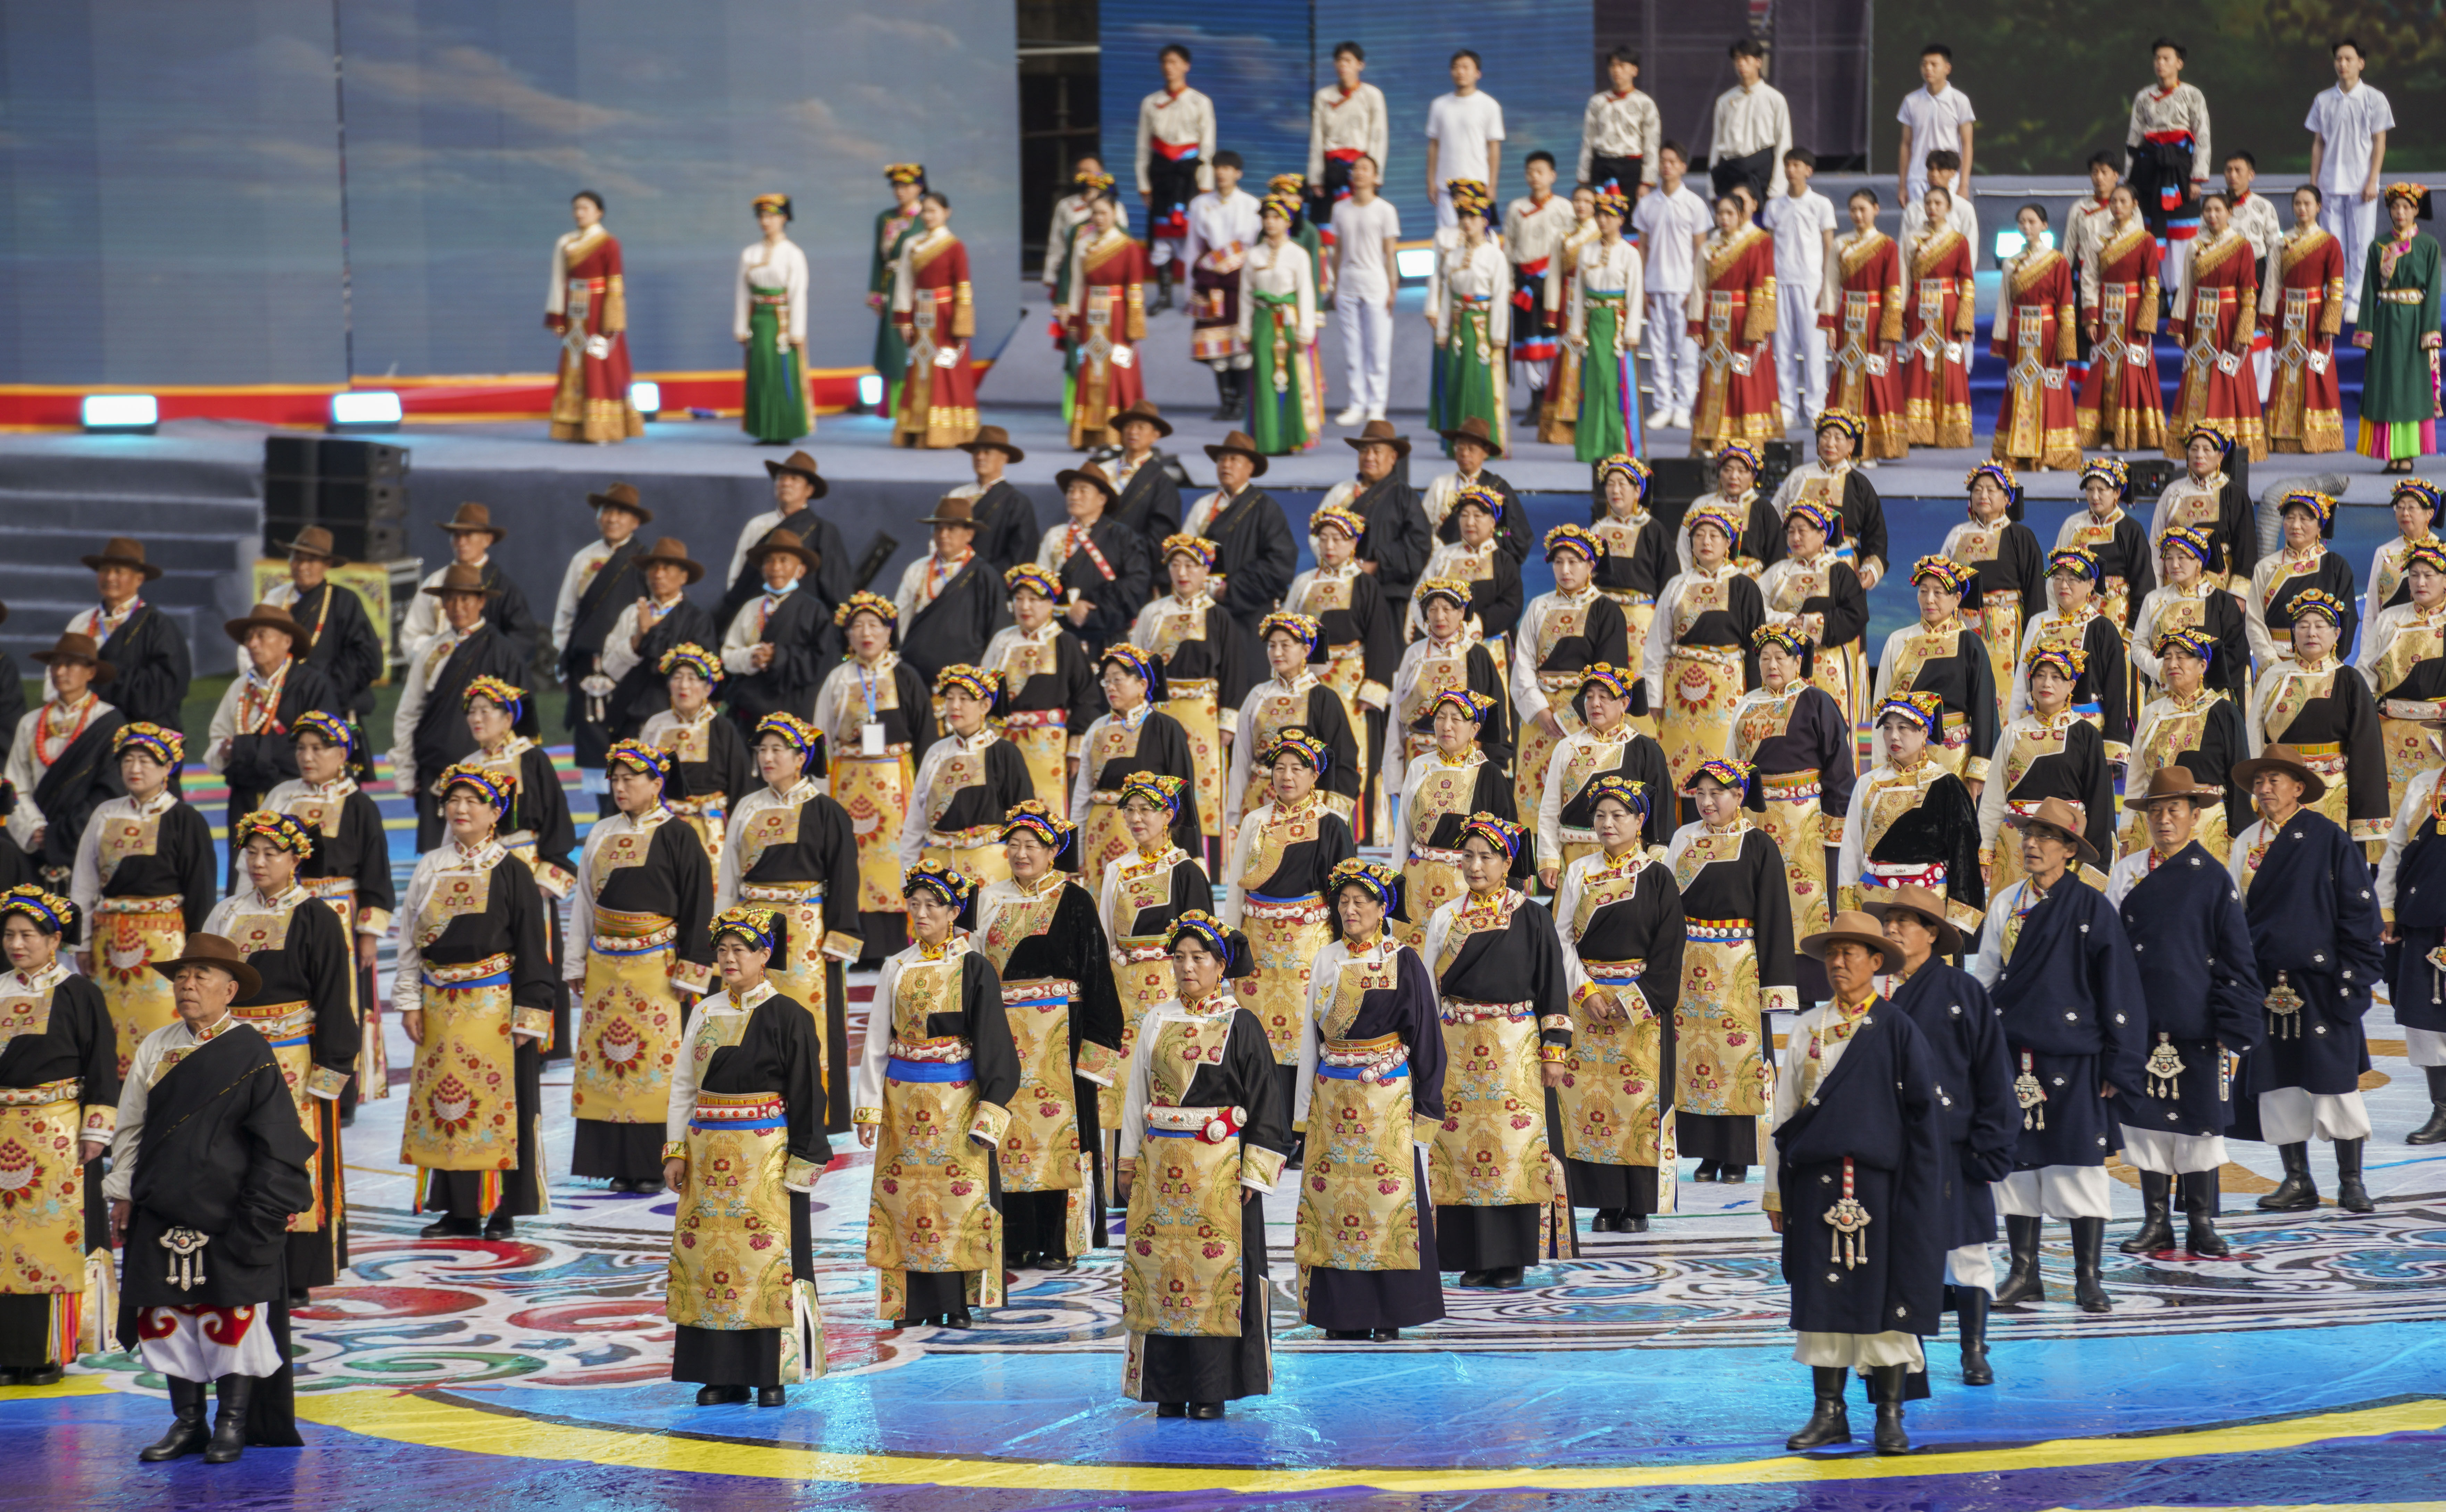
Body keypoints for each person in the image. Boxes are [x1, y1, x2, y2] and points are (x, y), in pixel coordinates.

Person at [109, 932, 314, 1464]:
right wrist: (123, 1193)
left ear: (230, 990)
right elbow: (130, 1127)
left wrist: (262, 1211)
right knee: (170, 1318)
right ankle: (188, 1424)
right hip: (160, 1207)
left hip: (229, 1214)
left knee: (231, 1317)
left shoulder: (251, 1052)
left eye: (201, 976)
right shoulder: (156, 1046)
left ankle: (232, 1424)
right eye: (181, 976)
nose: (187, 985)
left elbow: (275, 1142)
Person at [1764, 912, 1946, 1454]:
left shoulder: (1898, 1030)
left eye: (1851, 953)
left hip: (1880, 1191)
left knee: (1885, 1303)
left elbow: (1923, 1123)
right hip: (1816, 1190)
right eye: (1832, 953)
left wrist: (1921, 1196)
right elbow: (1785, 1115)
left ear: (1876, 962)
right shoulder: (1806, 1027)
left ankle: (1889, 1417)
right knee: (1821, 1302)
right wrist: (1775, 1192)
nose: (1839, 963)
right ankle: (1828, 1414)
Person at [1971, 798, 2147, 1313]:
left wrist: (2121, 1063)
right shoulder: (2005, 903)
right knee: (2017, 1167)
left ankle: (2087, 1277)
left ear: (2069, 850)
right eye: (2028, 833)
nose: (2031, 843)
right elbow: (1986, 978)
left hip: (2075, 1060)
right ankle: (2023, 1273)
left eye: (2045, 836)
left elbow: (2120, 990)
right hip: (2011, 1056)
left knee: (2078, 1168)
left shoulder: (2093, 907)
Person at [1115, 910, 1290, 1417]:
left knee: (1216, 1280)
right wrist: (1128, 1162)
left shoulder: (1241, 1023)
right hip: (1161, 1175)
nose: (1187, 968)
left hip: (1221, 1178)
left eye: (1199, 958)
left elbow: (1265, 1103)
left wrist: (1253, 1174)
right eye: (1179, 958)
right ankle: (1167, 1388)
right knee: (1160, 1276)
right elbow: (1136, 1097)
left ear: (1220, 966)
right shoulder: (1157, 1019)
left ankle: (1214, 1388)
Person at [663, 904, 828, 1405]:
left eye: (741, 950)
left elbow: (807, 1095)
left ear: (764, 956)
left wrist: (803, 1163)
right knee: (711, 1264)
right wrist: (676, 1151)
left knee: (768, 1265)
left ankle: (770, 1374)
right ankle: (721, 1375)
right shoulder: (705, 1012)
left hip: (767, 1165)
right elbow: (684, 1088)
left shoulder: (790, 1017)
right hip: (707, 1162)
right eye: (723, 950)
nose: (729, 959)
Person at [392, 763, 557, 1239]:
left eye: (473, 802)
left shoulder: (512, 872)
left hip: (495, 1010)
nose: (460, 810)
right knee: (447, 1108)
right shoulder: (429, 866)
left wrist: (532, 1013)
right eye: (453, 801)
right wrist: (409, 1001)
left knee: (498, 1111)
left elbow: (532, 949)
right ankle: (458, 1209)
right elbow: (409, 942)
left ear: (495, 813)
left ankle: (502, 1207)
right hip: (440, 1008)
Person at [198, 812, 358, 1300]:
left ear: (296, 859)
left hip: (294, 1060)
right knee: (233, 1157)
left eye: (272, 853)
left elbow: (334, 997)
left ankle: (294, 1272)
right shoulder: (225, 914)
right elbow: (201, 985)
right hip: (232, 1056)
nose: (260, 862)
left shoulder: (317, 916)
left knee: (289, 1161)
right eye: (252, 852)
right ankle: (238, 1260)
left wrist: (331, 1069)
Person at [2105, 766, 2263, 1258]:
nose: (2163, 819)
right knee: (2146, 1124)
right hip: (2141, 1021)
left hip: (2198, 1024)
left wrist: (2232, 1021)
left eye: (2174, 810)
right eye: (2155, 810)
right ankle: (2155, 1221)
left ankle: (2200, 1220)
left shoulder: (2214, 878)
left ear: (2195, 817)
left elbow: (2237, 956)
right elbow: (2107, 951)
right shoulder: (2127, 871)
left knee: (2200, 1124)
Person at [855, 865, 1022, 1328]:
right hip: (902, 1106)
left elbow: (994, 1044)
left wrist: (990, 1110)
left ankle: (958, 1303)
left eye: (933, 905)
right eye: (915, 905)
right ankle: (909, 1304)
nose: (922, 913)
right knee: (904, 1202)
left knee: (956, 1202)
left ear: (953, 912)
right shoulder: (896, 966)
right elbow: (875, 1043)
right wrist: (869, 1108)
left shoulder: (973, 966)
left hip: (957, 1104)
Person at [1863, 885, 2015, 1388]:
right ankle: (1913, 1354)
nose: (1893, 929)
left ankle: (1974, 1350)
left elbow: (1993, 1072)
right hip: (1894, 1150)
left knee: (1966, 1251)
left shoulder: (1961, 990)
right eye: (1890, 921)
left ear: (1933, 934)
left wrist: (1992, 1145)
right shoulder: (1870, 993)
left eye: (1906, 922)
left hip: (1955, 1148)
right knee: (1902, 1254)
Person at [1295, 858, 1447, 1337]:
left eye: (1361, 901)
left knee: (1388, 1204)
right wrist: (1303, 1113)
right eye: (1343, 902)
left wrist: (1426, 1112)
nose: (1350, 909)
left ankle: (1391, 1314)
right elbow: (1308, 1039)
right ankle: (1344, 1315)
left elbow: (1426, 1040)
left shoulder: (1403, 959)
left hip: (1387, 1106)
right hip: (1333, 1103)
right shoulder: (1326, 959)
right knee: (1336, 1206)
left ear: (1383, 907)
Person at [2230, 744, 2384, 1213]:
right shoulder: (2244, 843)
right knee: (2277, 1087)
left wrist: (2354, 980)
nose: (2265, 788)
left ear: (2299, 788)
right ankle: (2297, 1181)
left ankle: (2351, 1181)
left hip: (2321, 984)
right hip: (2265, 984)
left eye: (2275, 780)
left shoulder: (2328, 837)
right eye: (2259, 781)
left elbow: (2359, 912)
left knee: (2335, 1086)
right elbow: (2234, 917)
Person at [970, 803, 1123, 1271]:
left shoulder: (1074, 899)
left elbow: (1097, 976)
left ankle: (1060, 1241)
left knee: (1060, 1145)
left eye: (1031, 846)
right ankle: (1014, 1239)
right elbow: (972, 972)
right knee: (1008, 1137)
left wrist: (1096, 1052)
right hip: (1002, 1038)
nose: (1020, 853)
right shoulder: (987, 899)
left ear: (1052, 851)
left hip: (1062, 1038)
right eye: (1013, 845)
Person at [1421, 813, 1568, 1288]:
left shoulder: (1532, 914)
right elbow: (1427, 990)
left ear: (1507, 863)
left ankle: (1511, 1257)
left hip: (1513, 1050)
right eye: (1467, 856)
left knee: (1511, 1153)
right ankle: (1471, 1256)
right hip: (1457, 1049)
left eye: (1486, 857)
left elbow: (1552, 985)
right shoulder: (1446, 916)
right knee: (1462, 1151)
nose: (1475, 866)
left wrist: (1554, 1052)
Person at [563, 741, 713, 1193]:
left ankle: (657, 1162)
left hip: (657, 972)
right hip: (605, 969)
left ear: (657, 783)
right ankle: (613, 1163)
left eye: (631, 779)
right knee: (608, 1065)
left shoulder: (679, 833)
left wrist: (692, 969)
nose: (621, 786)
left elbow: (697, 902)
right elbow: (585, 905)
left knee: (654, 1066)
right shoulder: (600, 832)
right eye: (615, 779)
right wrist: (576, 961)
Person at [716, 714, 864, 1132]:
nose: (767, 757)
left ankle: (815, 1112)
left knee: (805, 1018)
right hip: (749, 926)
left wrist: (841, 934)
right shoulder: (747, 806)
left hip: (806, 929)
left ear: (801, 758)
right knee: (749, 1011)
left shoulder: (826, 810)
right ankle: (752, 1099)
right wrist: (721, 933)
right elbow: (729, 876)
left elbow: (845, 876)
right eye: (761, 750)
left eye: (777, 750)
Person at [1547, 777, 1683, 1234]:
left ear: (1640, 821)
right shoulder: (1578, 871)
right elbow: (1560, 937)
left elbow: (1669, 947)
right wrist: (1585, 992)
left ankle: (1637, 1203)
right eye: (1600, 816)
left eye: (1618, 815)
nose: (1607, 824)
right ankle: (1604, 1202)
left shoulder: (1657, 875)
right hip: (1587, 1002)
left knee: (1635, 1104)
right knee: (1589, 1104)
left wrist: (1630, 1000)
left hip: (1637, 1011)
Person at [0, 885, 116, 1387]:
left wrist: (96, 1132)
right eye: (9, 935)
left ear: (54, 941)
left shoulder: (80, 993)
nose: (17, 944)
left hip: (59, 1136)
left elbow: (102, 1069)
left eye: (28, 935)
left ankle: (46, 1351)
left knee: (53, 1245)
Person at [1665, 759, 1798, 1182]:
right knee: (1694, 1058)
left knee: (1736, 1060)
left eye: (1716, 793)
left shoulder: (1758, 844)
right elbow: (1667, 906)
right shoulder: (1682, 838)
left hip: (1737, 967)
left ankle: (1737, 1154)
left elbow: (1775, 916)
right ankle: (1705, 1153)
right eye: (1700, 794)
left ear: (1739, 796)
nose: (1706, 802)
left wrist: (1774, 985)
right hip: (1688, 965)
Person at [1221, 730, 1358, 1114]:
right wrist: (1231, 949)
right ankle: (1263, 1121)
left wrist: (1342, 952)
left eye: (1297, 769)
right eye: (1279, 768)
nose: (1286, 776)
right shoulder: (1255, 821)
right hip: (1258, 945)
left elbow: (1343, 895)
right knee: (1258, 1030)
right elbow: (1236, 889)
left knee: (1303, 1032)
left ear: (1314, 775)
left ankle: (1300, 1125)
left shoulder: (1331, 823)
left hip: (1307, 947)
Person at [264, 712, 394, 1114]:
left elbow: (376, 872)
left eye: (318, 749)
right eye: (302, 748)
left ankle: (343, 1094)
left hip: (340, 913)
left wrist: (369, 934)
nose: (307, 756)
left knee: (343, 1003)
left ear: (342, 754)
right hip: (288, 911)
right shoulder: (281, 798)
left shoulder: (359, 805)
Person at [69, 723, 214, 1077]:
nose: (135, 769)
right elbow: (84, 884)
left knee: (163, 1026)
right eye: (128, 760)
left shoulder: (185, 820)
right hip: (109, 946)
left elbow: (200, 893)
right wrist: (82, 943)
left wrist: (198, 958)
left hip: (165, 950)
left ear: (168, 768)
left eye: (146, 761)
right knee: (109, 1028)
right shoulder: (105, 814)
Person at [1094, 772, 1209, 1161]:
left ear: (1168, 815)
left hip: (1171, 986)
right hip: (1124, 993)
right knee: (1124, 1082)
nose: (1136, 818)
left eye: (1147, 810)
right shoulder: (1117, 870)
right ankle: (1121, 1172)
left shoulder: (1187, 870)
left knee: (1168, 1071)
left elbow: (1202, 941)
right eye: (1130, 810)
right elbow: (1105, 938)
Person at [813, 594, 933, 959]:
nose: (866, 633)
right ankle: (852, 943)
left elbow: (925, 735)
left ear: (889, 632)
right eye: (857, 626)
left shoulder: (905, 676)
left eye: (874, 625)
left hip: (896, 787)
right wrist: (818, 794)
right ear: (847, 634)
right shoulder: (837, 679)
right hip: (847, 784)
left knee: (894, 859)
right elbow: (820, 738)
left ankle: (898, 944)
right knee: (849, 862)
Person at [1729, 623, 1856, 950]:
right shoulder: (1745, 704)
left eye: (1781, 658)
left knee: (1811, 903)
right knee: (1762, 899)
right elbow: (1731, 766)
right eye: (1765, 658)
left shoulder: (1817, 701)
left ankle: (1812, 987)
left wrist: (1834, 832)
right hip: (1756, 821)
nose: (1772, 665)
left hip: (1806, 824)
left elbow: (1839, 769)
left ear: (1797, 663)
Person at [390, 565, 529, 850]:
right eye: (450, 599)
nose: (457, 606)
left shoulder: (503, 651)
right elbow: (410, 710)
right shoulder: (430, 651)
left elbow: (521, 719)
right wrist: (405, 767)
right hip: (436, 770)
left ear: (481, 602)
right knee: (437, 856)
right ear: (442, 604)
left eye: (466, 599)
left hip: (487, 773)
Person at [1285, 506, 1401, 838]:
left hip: (1351, 685)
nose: (1329, 545)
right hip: (1307, 681)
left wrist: (1373, 688)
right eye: (1323, 538)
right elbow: (1285, 631)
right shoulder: (1303, 584)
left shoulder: (1365, 585)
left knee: (1354, 756)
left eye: (1337, 539)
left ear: (1354, 543)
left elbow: (1381, 638)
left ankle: (1354, 832)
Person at [1835, 694, 1988, 935]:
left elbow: (1964, 856)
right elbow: (1852, 848)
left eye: (1903, 728)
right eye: (1887, 728)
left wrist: (1957, 924)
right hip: (1873, 905)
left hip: (1927, 907)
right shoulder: (1867, 784)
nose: (1893, 736)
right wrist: (1846, 907)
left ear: (1924, 733)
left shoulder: (1946, 784)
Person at [2251, 591, 2390, 853]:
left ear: (2336, 634)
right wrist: (2256, 791)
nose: (2310, 633)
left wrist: (2364, 818)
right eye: (2302, 626)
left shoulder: (2349, 680)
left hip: (2334, 792)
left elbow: (2366, 750)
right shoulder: (2273, 677)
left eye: (2319, 626)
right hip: (2280, 790)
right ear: (2293, 633)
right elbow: (2254, 736)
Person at [1977, 642, 2119, 899]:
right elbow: (1994, 797)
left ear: (2071, 686)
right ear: (2030, 683)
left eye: (2056, 677)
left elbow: (2100, 804)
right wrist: (1986, 848)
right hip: (2014, 845)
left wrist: (2096, 864)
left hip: (2063, 845)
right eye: (2039, 676)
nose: (2046, 683)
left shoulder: (2085, 734)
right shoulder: (2013, 731)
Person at [1512, 526, 1633, 825]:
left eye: (1573, 562)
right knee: (1535, 799)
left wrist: (1569, 718)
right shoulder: (1538, 607)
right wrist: (1540, 711)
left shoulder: (1606, 610)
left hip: (1587, 716)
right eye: (1558, 562)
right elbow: (1524, 663)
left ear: (1591, 565)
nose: (1565, 570)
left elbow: (1610, 674)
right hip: (1540, 718)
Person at [203, 603, 337, 868]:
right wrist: (226, 750)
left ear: (286, 641)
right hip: (246, 798)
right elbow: (218, 737)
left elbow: (323, 743)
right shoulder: (240, 687)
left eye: (262, 635)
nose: (253, 644)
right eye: (249, 638)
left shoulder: (313, 684)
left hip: (296, 795)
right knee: (245, 870)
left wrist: (246, 748)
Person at [1132, 535, 1244, 848]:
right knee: (1155, 781)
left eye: (1191, 566)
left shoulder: (1218, 616)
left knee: (1202, 785)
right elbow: (1136, 664)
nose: (1182, 573)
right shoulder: (1151, 614)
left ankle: (1203, 859)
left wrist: (1227, 722)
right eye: (1176, 565)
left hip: (1202, 713)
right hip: (1157, 713)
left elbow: (1233, 671)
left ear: (1206, 571)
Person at [1645, 504, 1763, 800]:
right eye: (1698, 535)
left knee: (1723, 764)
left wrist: (1756, 698)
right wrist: (1654, 697)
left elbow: (1755, 649)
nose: (1705, 542)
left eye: (1714, 535)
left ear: (1728, 543)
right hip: (1678, 696)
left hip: (1726, 692)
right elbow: (1657, 646)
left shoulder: (1745, 587)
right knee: (1676, 769)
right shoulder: (1676, 586)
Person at [1073, 647, 1203, 899]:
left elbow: (1183, 798)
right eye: (1106, 681)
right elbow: (1082, 796)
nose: (1110, 687)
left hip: (1148, 840)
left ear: (1142, 684)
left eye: (1118, 680)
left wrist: (1191, 854)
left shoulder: (1166, 728)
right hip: (1099, 839)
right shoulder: (1096, 730)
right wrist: (1076, 856)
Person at [1533, 661, 1675, 880]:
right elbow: (1551, 809)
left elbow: (1661, 811)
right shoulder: (1568, 747)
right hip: (1573, 860)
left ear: (1624, 703)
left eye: (1604, 697)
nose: (1595, 704)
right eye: (1589, 697)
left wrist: (1657, 856)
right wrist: (1548, 858)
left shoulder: (1646, 750)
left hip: (1629, 861)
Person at [1225, 614, 1361, 840]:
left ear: (1306, 650)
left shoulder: (1323, 698)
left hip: (1308, 810)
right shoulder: (1257, 696)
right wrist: (1235, 814)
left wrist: (1334, 817)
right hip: (1258, 804)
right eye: (1272, 646)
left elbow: (1344, 761)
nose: (1277, 653)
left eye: (1285, 645)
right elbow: (1241, 759)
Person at [5, 634, 124, 890]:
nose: (60, 672)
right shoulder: (31, 722)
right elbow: (15, 784)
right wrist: (35, 830)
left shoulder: (108, 722)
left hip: (86, 839)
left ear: (91, 672)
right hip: (34, 844)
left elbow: (110, 789)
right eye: (55, 665)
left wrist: (64, 834)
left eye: (70, 664)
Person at [983, 565, 1102, 818]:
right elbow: (983, 694)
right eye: (1019, 599)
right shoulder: (1001, 642)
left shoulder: (1064, 643)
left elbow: (1086, 697)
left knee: (1046, 815)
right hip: (1002, 741)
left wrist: (1075, 750)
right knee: (1003, 811)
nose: (1025, 607)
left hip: (1049, 747)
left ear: (1050, 605)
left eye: (1034, 600)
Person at [554, 482, 650, 790]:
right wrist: (564, 661)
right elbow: (566, 613)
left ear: (635, 522)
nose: (612, 519)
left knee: (630, 737)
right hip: (587, 666)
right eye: (607, 511)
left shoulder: (646, 562)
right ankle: (602, 820)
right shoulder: (583, 560)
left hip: (630, 665)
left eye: (621, 513)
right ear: (598, 517)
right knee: (593, 739)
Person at [900, 666, 1034, 887]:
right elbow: (916, 820)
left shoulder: (1004, 753)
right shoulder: (936, 753)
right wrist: (907, 880)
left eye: (964, 699)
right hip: (938, 868)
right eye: (950, 698)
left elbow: (1024, 821)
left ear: (985, 706)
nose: (955, 706)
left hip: (990, 869)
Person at [2123, 627, 2249, 857]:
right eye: (2167, 658)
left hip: (2206, 827)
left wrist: (2238, 836)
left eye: (2181, 657)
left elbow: (2238, 779)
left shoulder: (2223, 711)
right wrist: (2125, 830)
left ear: (2202, 666)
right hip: (2153, 827)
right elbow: (2136, 776)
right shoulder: (2152, 712)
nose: (2172, 664)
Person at [1870, 559, 1997, 782]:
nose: (1929, 600)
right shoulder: (1899, 641)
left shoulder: (1968, 643)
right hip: (1904, 759)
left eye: (1938, 592)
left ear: (1957, 599)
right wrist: (1880, 764)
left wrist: (1980, 770)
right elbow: (1881, 706)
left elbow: (1984, 709)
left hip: (1957, 761)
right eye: (1924, 591)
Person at [47, 537, 190, 735]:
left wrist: (104, 678)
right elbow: (56, 677)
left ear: (139, 579)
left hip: (141, 738)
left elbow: (164, 690)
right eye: (105, 571)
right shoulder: (81, 624)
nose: (110, 578)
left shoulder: (159, 627)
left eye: (119, 572)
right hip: (85, 731)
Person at [2378, 733, 2446, 1144]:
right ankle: (2442, 1111)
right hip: (2420, 920)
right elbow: (2396, 850)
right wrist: (2386, 908)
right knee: (2425, 1024)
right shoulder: (2423, 785)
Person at [1756, 499, 1871, 738]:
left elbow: (1856, 614)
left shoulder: (1839, 571)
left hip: (1831, 664)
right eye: (1791, 532)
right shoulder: (1777, 573)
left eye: (1802, 531)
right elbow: (1755, 609)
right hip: (1786, 666)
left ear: (1822, 535)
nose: (1795, 537)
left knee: (1833, 731)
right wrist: (1785, 621)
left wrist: (1811, 625)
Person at [2167, 192, 2267, 460]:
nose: (2212, 215)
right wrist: (2178, 325)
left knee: (2228, 376)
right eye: (2208, 210)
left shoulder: (2242, 246)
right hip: (2199, 321)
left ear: (2229, 213)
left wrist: (2244, 331)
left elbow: (2248, 293)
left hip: (2227, 320)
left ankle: (2230, 444)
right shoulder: (2194, 246)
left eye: (2218, 210)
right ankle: (2196, 442)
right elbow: (2186, 287)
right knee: (2198, 377)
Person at [247, 526, 383, 723]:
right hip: (278, 700)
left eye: (310, 560)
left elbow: (366, 658)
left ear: (327, 564)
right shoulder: (275, 599)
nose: (301, 567)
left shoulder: (343, 601)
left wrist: (320, 688)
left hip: (333, 703)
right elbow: (252, 644)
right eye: (296, 558)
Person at [2352, 182, 2444, 470]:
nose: (2400, 212)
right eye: (2395, 207)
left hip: (2415, 323)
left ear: (2416, 210)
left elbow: (2433, 291)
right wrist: (2366, 328)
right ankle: (2390, 452)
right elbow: (2368, 290)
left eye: (2406, 207)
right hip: (2385, 322)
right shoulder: (2378, 245)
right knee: (2387, 386)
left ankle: (2407, 454)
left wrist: (2430, 330)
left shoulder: (2429, 246)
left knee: (2409, 387)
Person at [2074, 185, 2172, 453]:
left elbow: (2152, 284)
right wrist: (2091, 318)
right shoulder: (2097, 239)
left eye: (2123, 201)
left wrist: (2146, 320)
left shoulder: (2145, 240)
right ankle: (2106, 432)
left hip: (2132, 312)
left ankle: (2136, 434)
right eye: (2114, 201)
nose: (2117, 206)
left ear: (2134, 205)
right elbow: (2090, 279)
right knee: (2105, 370)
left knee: (2132, 367)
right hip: (2106, 311)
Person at [639, 643, 752, 866]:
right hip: (661, 827)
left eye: (693, 678)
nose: (684, 685)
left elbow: (742, 787)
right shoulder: (656, 726)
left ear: (708, 688)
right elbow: (640, 778)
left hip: (710, 828)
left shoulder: (722, 729)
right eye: (678, 677)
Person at [2356, 539, 2446, 820]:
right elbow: (2364, 674)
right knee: (2389, 813)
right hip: (2388, 737)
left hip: (2439, 738)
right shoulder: (2389, 619)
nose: (2420, 582)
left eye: (2428, 575)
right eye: (2414, 575)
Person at [1943, 462, 2047, 705]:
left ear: (2007, 498)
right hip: (1964, 625)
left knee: (2005, 693)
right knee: (1968, 690)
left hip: (2007, 627)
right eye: (1977, 489)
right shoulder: (1957, 534)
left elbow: (2035, 592)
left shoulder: (2020, 536)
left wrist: (2036, 642)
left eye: (1991, 490)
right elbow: (1943, 582)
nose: (1983, 495)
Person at [545, 190, 644, 443]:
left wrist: (612, 321)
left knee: (601, 363)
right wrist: (558, 317)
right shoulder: (566, 243)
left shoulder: (608, 243)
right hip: (575, 312)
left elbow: (615, 284)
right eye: (576, 208)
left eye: (585, 208)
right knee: (575, 365)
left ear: (599, 212)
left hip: (599, 313)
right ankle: (574, 426)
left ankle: (604, 428)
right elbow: (558, 282)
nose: (580, 213)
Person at [1988, 204, 2081, 472]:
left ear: (2044, 225)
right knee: (2020, 388)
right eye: (2021, 222)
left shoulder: (2057, 261)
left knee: (2050, 388)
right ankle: (2019, 453)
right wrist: (2001, 340)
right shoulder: (2010, 263)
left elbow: (2066, 305)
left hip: (2048, 331)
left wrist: (2066, 343)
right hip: (2019, 332)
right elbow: (2004, 304)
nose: (2026, 227)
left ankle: (2050, 453)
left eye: (2031, 221)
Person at [2306, 38, 2393, 323]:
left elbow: (2379, 143)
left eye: (2348, 59)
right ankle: (2336, 297)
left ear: (2360, 63)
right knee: (2333, 245)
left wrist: (2373, 180)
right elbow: (2318, 142)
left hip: (2360, 185)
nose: (2342, 64)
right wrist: (2313, 183)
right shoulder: (2323, 99)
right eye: (2338, 59)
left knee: (2360, 244)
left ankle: (2357, 298)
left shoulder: (2374, 98)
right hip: (2329, 184)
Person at [599, 536, 717, 747]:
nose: (658, 574)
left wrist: (651, 633)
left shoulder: (697, 619)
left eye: (667, 568)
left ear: (683, 577)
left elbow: (699, 669)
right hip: (630, 719)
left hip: (677, 720)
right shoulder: (631, 614)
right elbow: (609, 668)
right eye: (653, 568)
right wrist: (636, 641)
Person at [1687, 192, 1781, 454]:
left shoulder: (1751, 248)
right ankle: (1711, 437)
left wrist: (1755, 327)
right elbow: (1698, 287)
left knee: (1742, 376)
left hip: (1740, 321)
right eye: (1720, 213)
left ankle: (1745, 438)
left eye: (1730, 213)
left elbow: (1758, 291)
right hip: (1713, 321)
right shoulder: (1708, 248)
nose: (1724, 218)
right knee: (1712, 376)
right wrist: (1695, 324)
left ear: (1741, 216)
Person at [2007, 550, 2131, 748]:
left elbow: (2116, 689)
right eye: (2058, 578)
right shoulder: (2038, 622)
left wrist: (2113, 741)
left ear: (2091, 584)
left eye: (2073, 579)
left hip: (2086, 729)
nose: (2063, 585)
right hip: (2038, 726)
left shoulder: (2102, 628)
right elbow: (2022, 680)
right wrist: (2013, 726)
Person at [1039, 462, 1158, 665]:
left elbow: (1137, 584)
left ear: (1102, 499)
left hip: (1110, 636)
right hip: (1062, 635)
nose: (1074, 496)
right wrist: (1069, 608)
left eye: (1083, 491)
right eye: (1071, 490)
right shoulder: (1055, 536)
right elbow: (1040, 584)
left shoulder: (1124, 537)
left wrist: (1092, 610)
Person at [1819, 192, 1909, 459]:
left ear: (1876, 210)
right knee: (1845, 377)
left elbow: (1894, 291)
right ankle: (1841, 446)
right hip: (1846, 319)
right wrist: (1830, 325)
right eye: (1853, 210)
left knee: (1875, 379)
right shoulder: (1840, 245)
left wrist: (1889, 330)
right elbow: (1831, 286)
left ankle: (1871, 448)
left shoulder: (1886, 246)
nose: (1858, 215)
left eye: (1863, 209)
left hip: (1873, 320)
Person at [2126, 37, 2214, 308]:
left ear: (2179, 63)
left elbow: (2202, 136)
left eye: (2166, 58)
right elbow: (2133, 139)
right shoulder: (2143, 97)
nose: (2160, 64)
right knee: (2152, 230)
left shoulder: (2192, 95)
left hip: (2180, 170)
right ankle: (2159, 293)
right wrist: (2129, 184)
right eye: (2157, 59)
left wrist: (2197, 178)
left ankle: (2181, 292)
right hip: (2150, 167)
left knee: (2182, 232)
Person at [719, 452, 853, 629]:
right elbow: (740, 575)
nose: (786, 483)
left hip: (803, 622)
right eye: (781, 478)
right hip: (758, 617)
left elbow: (837, 586)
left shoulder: (823, 531)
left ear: (809, 490)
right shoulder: (758, 526)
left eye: (794, 479)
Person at [398, 503, 542, 667]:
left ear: (487, 540)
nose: (461, 542)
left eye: (469, 535)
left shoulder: (505, 590)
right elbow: (413, 634)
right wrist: (437, 655)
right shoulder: (435, 582)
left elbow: (523, 639)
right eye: (456, 535)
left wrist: (490, 662)